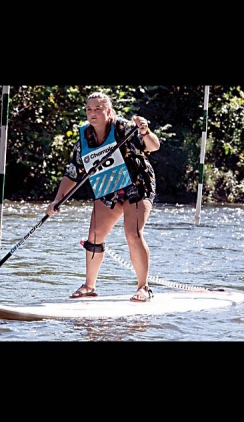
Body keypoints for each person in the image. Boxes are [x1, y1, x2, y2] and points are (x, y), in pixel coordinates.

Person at [46, 92, 160, 302]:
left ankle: (143, 287)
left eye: (98, 109)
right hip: (109, 188)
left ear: (108, 111)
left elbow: (153, 146)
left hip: (137, 185)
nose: (93, 113)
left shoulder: (124, 128)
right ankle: (89, 286)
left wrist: (144, 131)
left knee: (132, 233)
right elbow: (73, 172)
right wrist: (57, 200)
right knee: (94, 237)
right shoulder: (83, 139)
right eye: (89, 109)